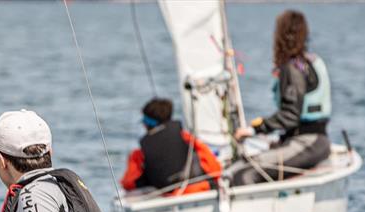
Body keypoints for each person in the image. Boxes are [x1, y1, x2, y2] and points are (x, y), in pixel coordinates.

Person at [229, 10, 332, 186]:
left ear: (283, 36)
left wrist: (256, 129)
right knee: (241, 165)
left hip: (308, 143)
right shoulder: (310, 61)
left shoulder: (292, 69)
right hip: (315, 141)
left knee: (240, 173)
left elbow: (291, 115)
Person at [121, 98, 221, 195]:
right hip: (197, 191)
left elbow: (128, 183)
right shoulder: (188, 139)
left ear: (146, 125)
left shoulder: (140, 153)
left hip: (165, 198)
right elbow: (215, 169)